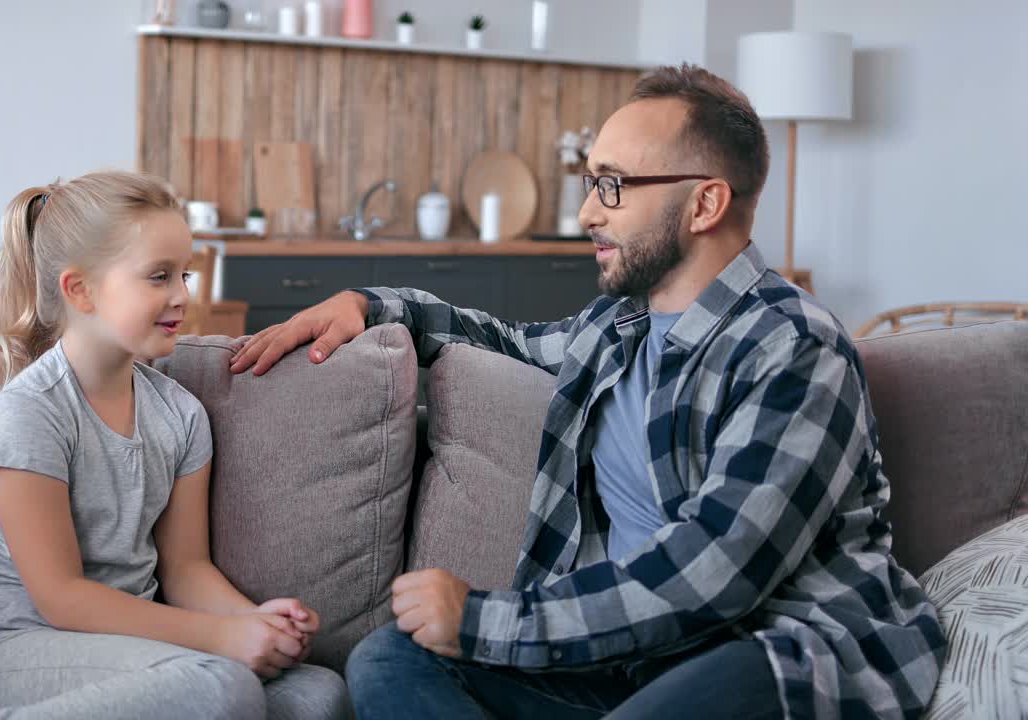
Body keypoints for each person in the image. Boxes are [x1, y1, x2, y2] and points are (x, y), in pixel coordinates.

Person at [229, 66, 945, 719]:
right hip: (627, 666)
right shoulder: (619, 326)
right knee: (388, 658)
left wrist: (480, 621)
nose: (587, 215)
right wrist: (372, 305)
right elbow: (504, 342)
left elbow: (715, 575)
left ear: (704, 204)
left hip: (769, 656)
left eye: (613, 185)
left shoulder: (794, 348)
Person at [0, 170, 351, 720]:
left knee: (318, 694)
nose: (182, 295)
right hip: (12, 649)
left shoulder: (180, 415)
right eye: (158, 277)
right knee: (220, 686)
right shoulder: (30, 413)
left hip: (125, 646)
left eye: (184, 275)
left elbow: (186, 570)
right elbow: (61, 596)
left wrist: (253, 625)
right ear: (80, 289)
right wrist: (219, 640)